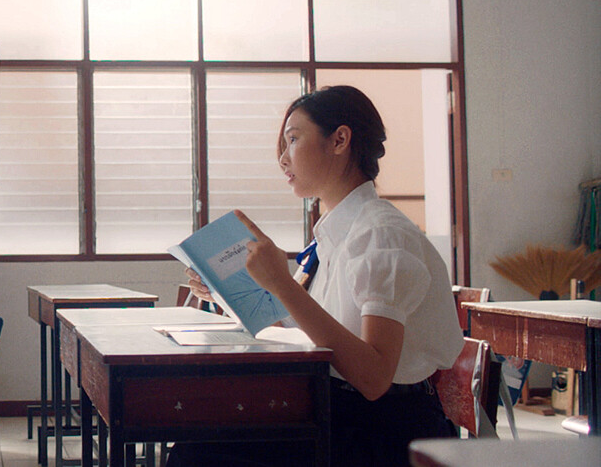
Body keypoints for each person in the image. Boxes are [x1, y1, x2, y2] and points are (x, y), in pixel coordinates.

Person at [169, 85, 462, 467]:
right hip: (340, 411)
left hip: (383, 430)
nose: (282, 158)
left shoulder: (381, 234)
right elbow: (299, 328)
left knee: (199, 453)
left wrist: (281, 284)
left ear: (339, 140)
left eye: (293, 139)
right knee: (199, 438)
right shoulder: (335, 235)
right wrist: (226, 292)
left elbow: (374, 378)